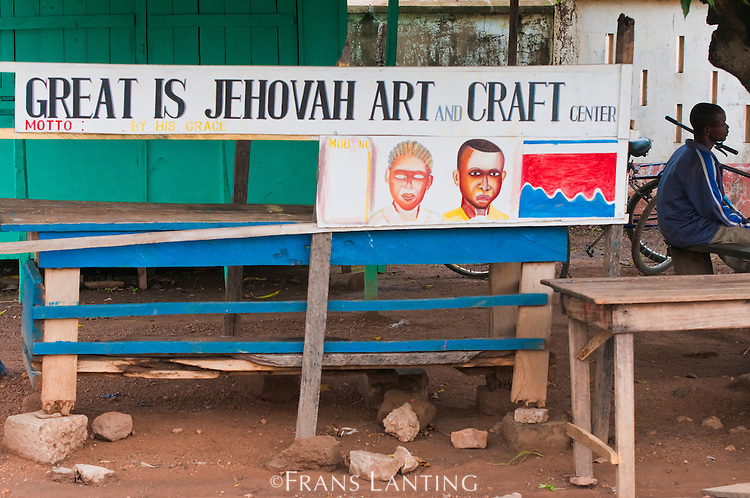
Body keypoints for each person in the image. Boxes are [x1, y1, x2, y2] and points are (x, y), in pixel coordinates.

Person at [657, 102, 750, 271]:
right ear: (708, 130)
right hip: (689, 229)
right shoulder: (700, 160)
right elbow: (713, 208)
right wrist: (743, 224)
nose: (727, 127)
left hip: (676, 226)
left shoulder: (684, 151)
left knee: (734, 238)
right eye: (723, 123)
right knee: (739, 233)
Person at [368, 141, 442, 225]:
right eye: (400, 176)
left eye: (418, 177)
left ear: (429, 181)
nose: (408, 185)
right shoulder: (376, 222)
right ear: (388, 176)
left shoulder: (435, 221)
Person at [443, 138, 509, 221]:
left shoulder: (506, 220)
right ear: (457, 177)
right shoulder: (444, 221)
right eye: (475, 174)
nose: (485, 186)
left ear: (502, 178)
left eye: (493, 174)